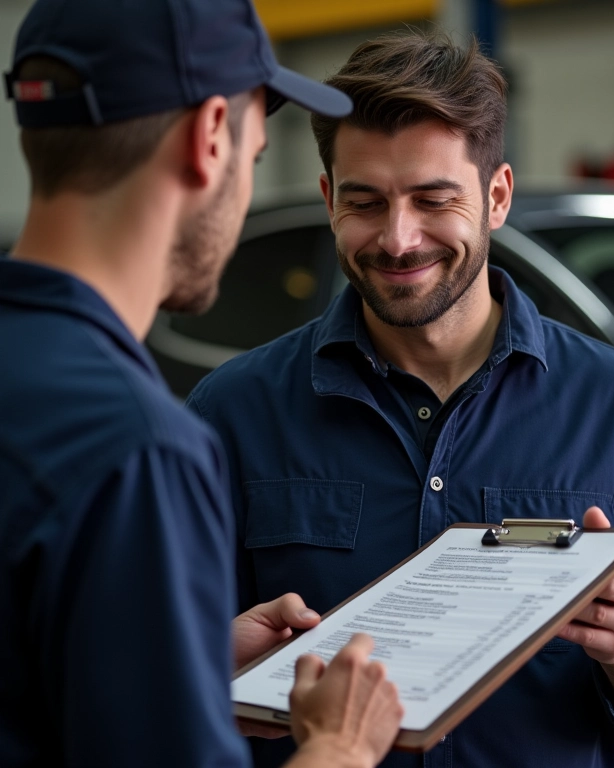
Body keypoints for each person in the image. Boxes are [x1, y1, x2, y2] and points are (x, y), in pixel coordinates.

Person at [186, 28, 614, 768]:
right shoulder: (234, 412)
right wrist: (212, 670)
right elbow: (160, 660)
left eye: (432, 199)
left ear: (496, 196)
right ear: (328, 201)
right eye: (366, 203)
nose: (398, 237)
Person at [0, 1, 405, 766]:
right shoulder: (137, 450)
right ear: (209, 134)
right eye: (254, 157)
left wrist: (181, 664)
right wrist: (341, 747)